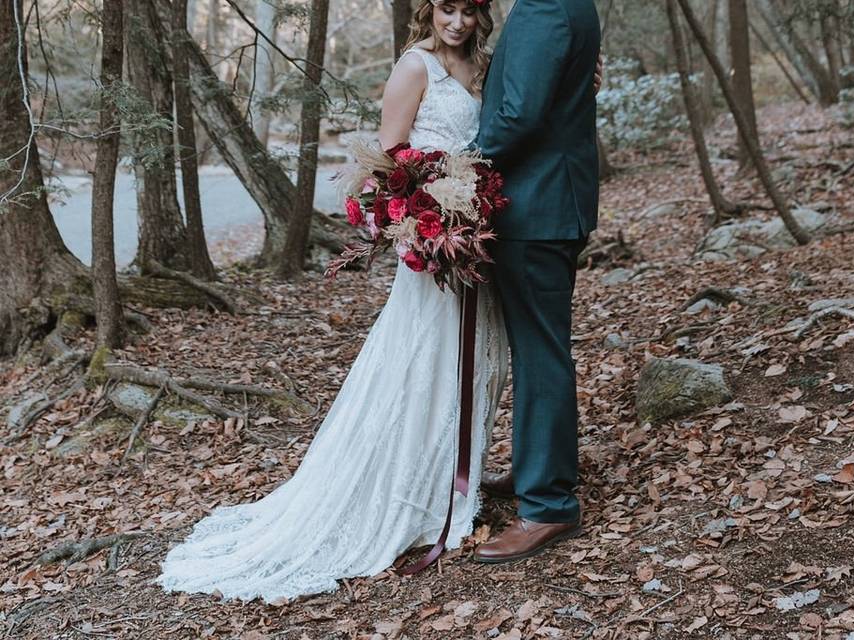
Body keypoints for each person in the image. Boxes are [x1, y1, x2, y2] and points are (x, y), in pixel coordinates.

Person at [154, 0, 509, 602]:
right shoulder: (415, 67)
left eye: (468, 12)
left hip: (473, 236)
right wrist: (430, 211)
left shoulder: (478, 66)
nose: (456, 23)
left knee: (473, 359)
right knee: (422, 359)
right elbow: (392, 162)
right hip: (433, 239)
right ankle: (406, 492)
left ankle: (450, 482)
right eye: (446, 10)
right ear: (430, 11)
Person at [472, 0, 602, 563]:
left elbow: (520, 113)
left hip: (537, 205)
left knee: (542, 353)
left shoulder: (546, 7)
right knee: (535, 350)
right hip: (548, 200)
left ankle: (548, 506)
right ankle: (538, 471)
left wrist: (460, 165)